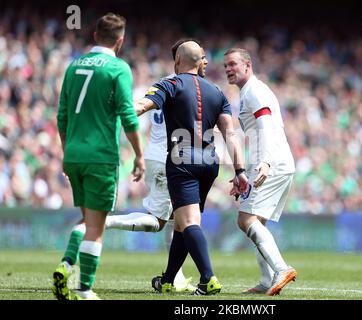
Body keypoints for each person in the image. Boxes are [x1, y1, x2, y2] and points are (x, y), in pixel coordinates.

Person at [134, 41, 248, 295]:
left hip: (181, 160)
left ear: (177, 62)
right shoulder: (217, 92)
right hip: (209, 163)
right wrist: (240, 171)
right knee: (181, 223)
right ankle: (168, 279)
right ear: (200, 62)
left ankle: (207, 278)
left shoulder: (170, 84)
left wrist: (117, 114)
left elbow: (142, 106)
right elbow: (231, 133)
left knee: (188, 221)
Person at [53, 13, 145, 300]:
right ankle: (84, 288)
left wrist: (68, 151)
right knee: (96, 226)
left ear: (94, 35)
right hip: (100, 155)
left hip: (74, 153)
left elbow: (62, 116)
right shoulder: (118, 68)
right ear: (120, 41)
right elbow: (127, 115)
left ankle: (67, 265)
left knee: (87, 221)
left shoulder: (73, 66)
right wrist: (139, 155)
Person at [104, 39, 207, 293]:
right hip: (168, 159)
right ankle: (105, 222)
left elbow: (145, 116)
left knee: (177, 220)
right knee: (159, 220)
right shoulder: (184, 87)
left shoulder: (164, 84)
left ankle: (176, 277)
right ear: (184, 59)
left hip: (159, 155)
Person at [223, 48, 297, 296]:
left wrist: (264, 162)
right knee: (257, 222)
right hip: (276, 161)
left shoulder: (254, 91)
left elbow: (265, 126)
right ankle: (267, 280)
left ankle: (280, 269)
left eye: (233, 64)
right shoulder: (250, 92)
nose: (228, 69)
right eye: (226, 66)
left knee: (246, 220)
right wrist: (242, 173)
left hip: (272, 163)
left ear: (247, 65)